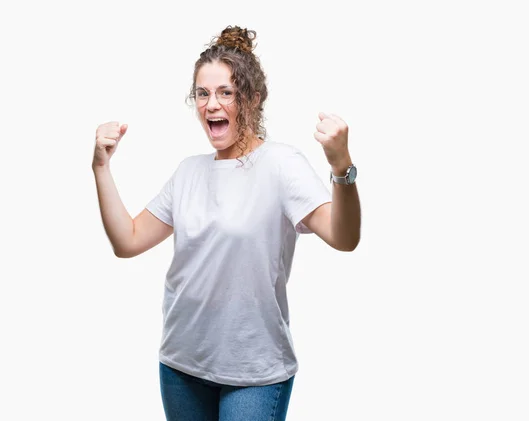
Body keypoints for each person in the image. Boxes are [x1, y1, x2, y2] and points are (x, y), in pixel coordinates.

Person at [92, 25, 361, 421]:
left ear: (252, 99)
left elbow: (345, 237)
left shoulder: (281, 165)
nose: (211, 105)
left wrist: (342, 167)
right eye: (203, 93)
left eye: (226, 92)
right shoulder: (188, 172)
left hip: (254, 374)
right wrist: (101, 167)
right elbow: (127, 241)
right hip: (181, 365)